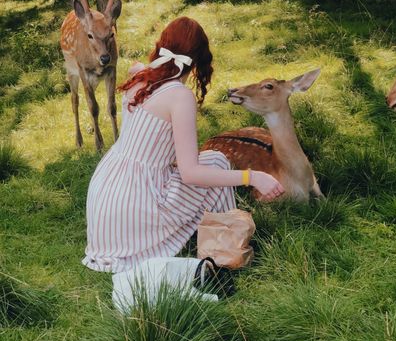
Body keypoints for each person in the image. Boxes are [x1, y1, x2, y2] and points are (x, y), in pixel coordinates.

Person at [82, 16, 284, 273]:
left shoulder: (140, 77)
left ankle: (222, 238)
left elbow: (137, 67)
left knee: (211, 161)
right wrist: (252, 176)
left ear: (161, 46)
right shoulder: (179, 96)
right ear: (199, 60)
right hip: (138, 202)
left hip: (106, 199)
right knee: (217, 162)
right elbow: (191, 173)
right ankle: (225, 248)